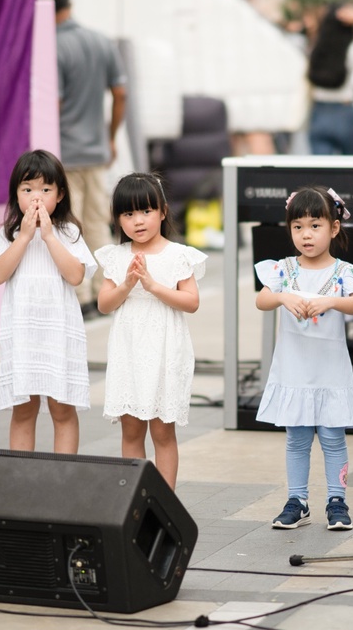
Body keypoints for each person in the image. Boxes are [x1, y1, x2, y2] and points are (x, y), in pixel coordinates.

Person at [255, 186, 353, 530]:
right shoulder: (282, 269)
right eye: (298, 227)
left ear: (334, 228)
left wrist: (331, 301)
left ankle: (337, 499)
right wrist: (282, 297)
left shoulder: (343, 271)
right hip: (294, 369)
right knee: (297, 438)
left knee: (333, 437)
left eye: (315, 225)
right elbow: (262, 300)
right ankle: (298, 499)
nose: (306, 234)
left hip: (330, 371)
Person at [96, 173, 206, 488]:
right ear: (117, 220)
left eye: (145, 211)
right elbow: (105, 303)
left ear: (163, 211)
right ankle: (134, 499)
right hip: (128, 349)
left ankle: (164, 501)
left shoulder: (178, 255)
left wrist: (153, 285)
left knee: (162, 430)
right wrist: (129, 283)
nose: (138, 221)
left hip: (165, 350)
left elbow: (191, 302)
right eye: (128, 214)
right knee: (131, 429)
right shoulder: (116, 257)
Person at [0, 150, 96, 454]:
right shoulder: (9, 233)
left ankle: (62, 482)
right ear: (16, 195)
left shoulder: (68, 232)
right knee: (23, 409)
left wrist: (48, 236)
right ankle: (23, 483)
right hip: (22, 334)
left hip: (58, 333)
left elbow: (76, 276)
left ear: (60, 195)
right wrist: (23, 238)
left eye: (46, 190)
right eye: (28, 189)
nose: (37, 197)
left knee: (62, 409)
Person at [36, 0, 127, 313]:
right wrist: (111, 135)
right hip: (96, 151)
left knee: (68, 226)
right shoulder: (100, 41)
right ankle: (105, 293)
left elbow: (53, 103)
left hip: (65, 153)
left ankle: (80, 298)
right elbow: (120, 92)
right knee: (98, 225)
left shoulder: (52, 46)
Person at [307, 5, 353, 155]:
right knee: (351, 171)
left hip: (319, 111)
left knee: (320, 173)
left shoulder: (316, 48)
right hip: (344, 110)